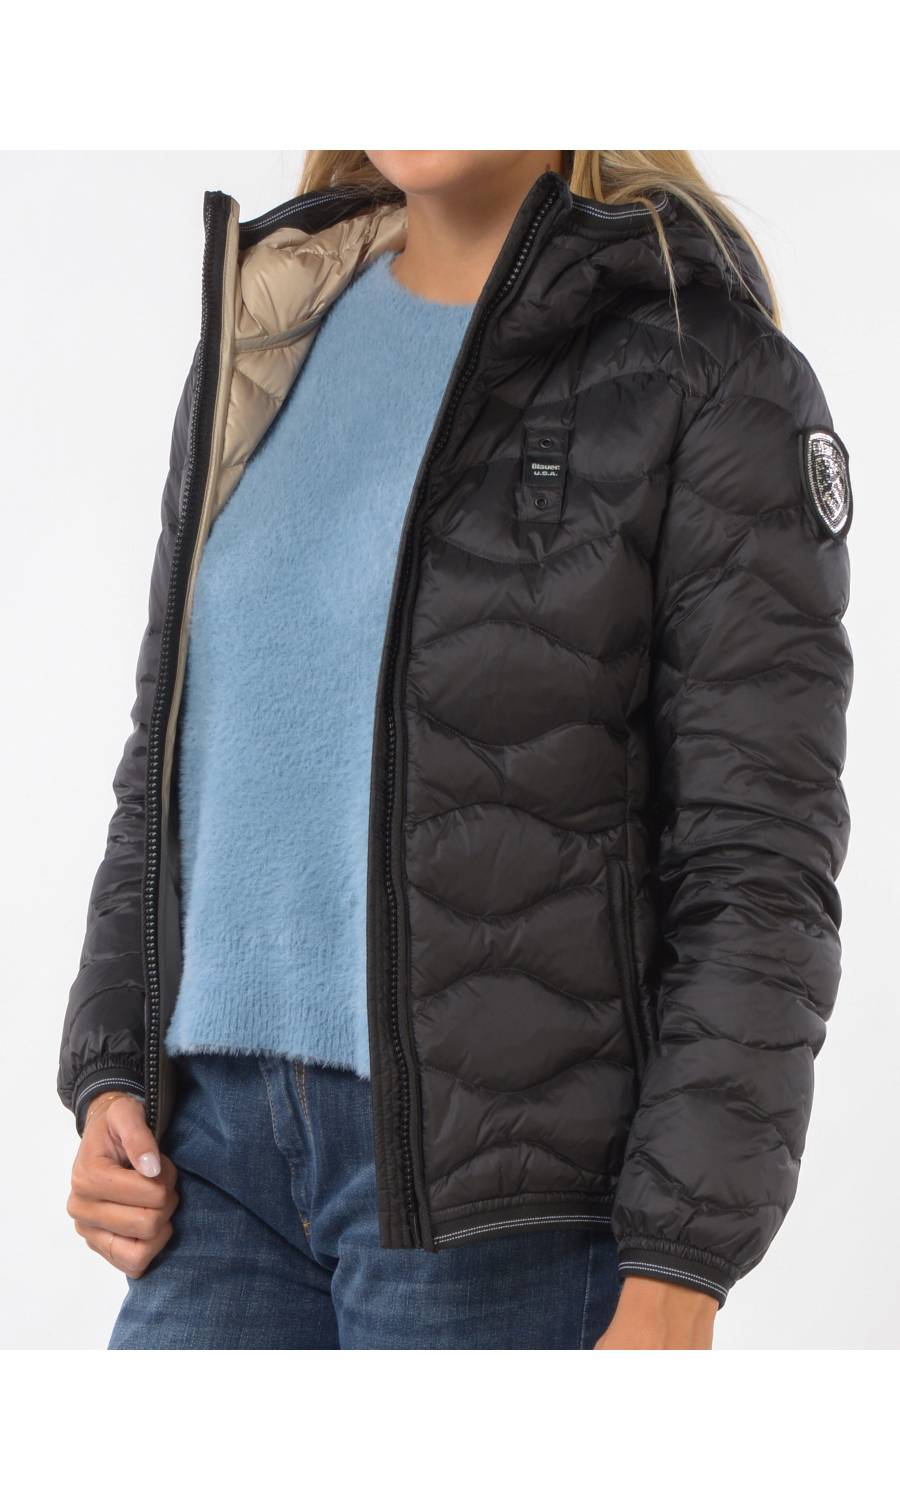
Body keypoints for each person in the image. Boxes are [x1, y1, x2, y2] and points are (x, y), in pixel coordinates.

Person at [58, 150, 852, 1350]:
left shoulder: (705, 368)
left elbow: (758, 854)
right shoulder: (274, 326)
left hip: (502, 1201)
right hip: (210, 1167)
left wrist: (681, 1263)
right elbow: (170, 762)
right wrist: (114, 1068)